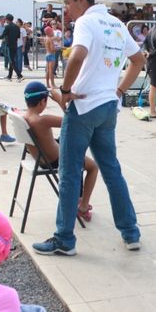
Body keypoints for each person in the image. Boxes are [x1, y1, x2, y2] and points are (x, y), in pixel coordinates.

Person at [32, 0, 145, 256]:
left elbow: (78, 55)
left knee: (69, 173)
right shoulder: (117, 24)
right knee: (112, 170)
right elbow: (139, 60)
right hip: (108, 107)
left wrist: (66, 90)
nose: (66, 10)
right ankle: (130, 233)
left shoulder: (86, 22)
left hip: (83, 107)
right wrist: (118, 90)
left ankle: (64, 239)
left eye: (68, 3)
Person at [23, 81, 98, 222]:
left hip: (41, 156)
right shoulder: (43, 120)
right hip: (54, 160)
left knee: (68, 141)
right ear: (42, 102)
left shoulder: (24, 117)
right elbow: (74, 121)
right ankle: (82, 205)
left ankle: (79, 197)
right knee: (93, 166)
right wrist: (59, 99)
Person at [1, 14, 23, 82]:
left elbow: (3, 35)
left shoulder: (7, 27)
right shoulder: (17, 27)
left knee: (11, 61)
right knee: (12, 60)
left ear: (7, 20)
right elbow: (18, 36)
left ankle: (19, 75)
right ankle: (9, 76)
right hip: (15, 45)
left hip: (9, 45)